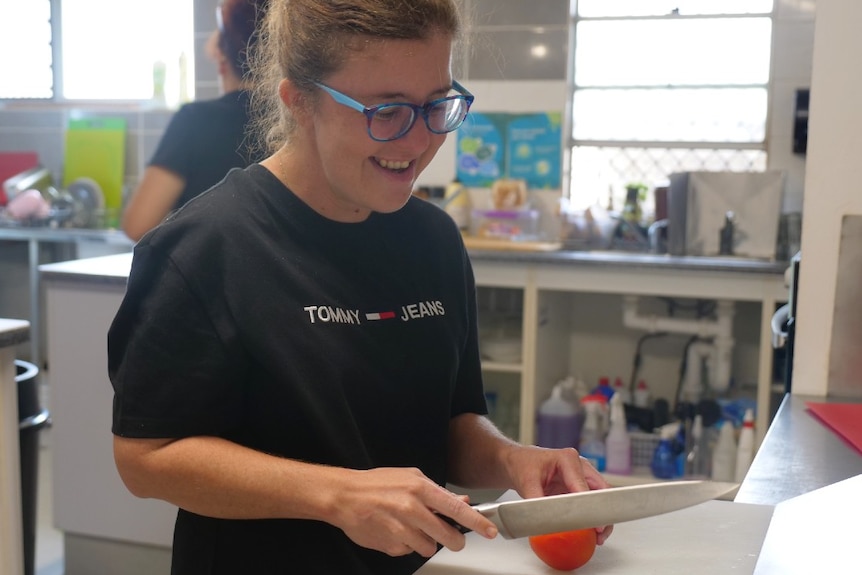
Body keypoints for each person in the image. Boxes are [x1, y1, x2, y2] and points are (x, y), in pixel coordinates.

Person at [108, 1, 613, 573]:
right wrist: (336, 495)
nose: (418, 141)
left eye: (436, 105)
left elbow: (451, 422)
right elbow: (145, 457)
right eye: (387, 110)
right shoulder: (204, 248)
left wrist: (512, 460)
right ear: (299, 100)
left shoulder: (434, 240)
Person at [120, 0, 267, 242]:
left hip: (209, 277)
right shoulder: (300, 122)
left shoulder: (195, 122)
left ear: (222, 61)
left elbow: (138, 224)